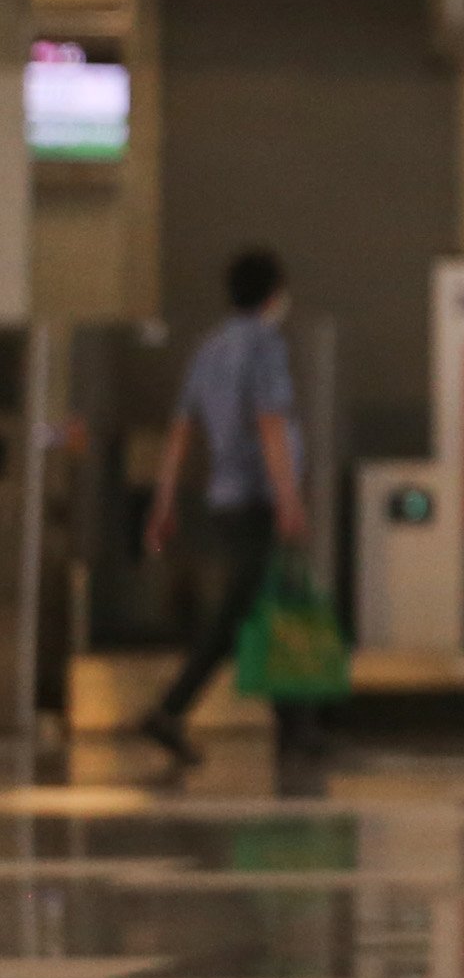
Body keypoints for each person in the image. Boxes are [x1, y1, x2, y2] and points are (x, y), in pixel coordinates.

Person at [132, 246, 311, 766]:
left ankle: (297, 725)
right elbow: (271, 423)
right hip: (257, 499)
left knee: (261, 603)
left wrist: (163, 502)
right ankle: (170, 709)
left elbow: (181, 431)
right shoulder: (265, 347)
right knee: (240, 611)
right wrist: (288, 498)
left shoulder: (209, 348)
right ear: (275, 293)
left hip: (224, 501)